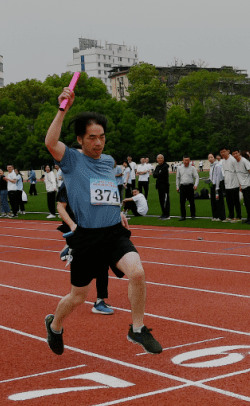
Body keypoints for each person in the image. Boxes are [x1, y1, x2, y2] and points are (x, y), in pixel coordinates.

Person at [43, 89, 161, 355]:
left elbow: (105, 191)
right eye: (92, 138)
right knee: (78, 296)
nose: (99, 143)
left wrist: (118, 211)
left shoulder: (108, 161)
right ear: (80, 140)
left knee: (138, 273)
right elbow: (50, 141)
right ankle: (55, 326)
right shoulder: (71, 159)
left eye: (102, 137)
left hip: (113, 234)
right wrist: (63, 108)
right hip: (87, 238)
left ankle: (138, 329)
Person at [56, 183, 115, 315]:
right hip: (78, 231)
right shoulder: (68, 183)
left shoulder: (95, 180)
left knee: (103, 263)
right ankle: (71, 248)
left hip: (95, 228)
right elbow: (60, 207)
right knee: (80, 286)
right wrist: (72, 225)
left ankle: (100, 301)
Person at [222, 147, 243, 222]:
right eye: (221, 152)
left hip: (235, 184)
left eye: (224, 152)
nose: (223, 153)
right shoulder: (223, 161)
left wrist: (240, 184)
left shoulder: (233, 160)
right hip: (227, 185)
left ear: (228, 151)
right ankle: (231, 216)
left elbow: (238, 172)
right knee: (229, 202)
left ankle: (238, 216)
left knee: (236, 202)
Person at [175, 156, 198, 220]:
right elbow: (178, 178)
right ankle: (183, 216)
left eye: (188, 160)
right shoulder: (179, 168)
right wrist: (177, 186)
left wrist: (196, 185)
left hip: (190, 186)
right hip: (182, 186)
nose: (186, 162)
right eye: (185, 160)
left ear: (190, 161)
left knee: (192, 201)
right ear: (183, 160)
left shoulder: (192, 168)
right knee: (182, 202)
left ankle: (193, 215)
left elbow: (197, 177)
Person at [152, 154, 171, 219]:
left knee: (166, 200)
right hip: (159, 186)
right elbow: (154, 175)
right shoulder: (157, 167)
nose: (159, 160)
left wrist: (158, 173)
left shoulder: (165, 166)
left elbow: (160, 174)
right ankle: (163, 213)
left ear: (163, 159)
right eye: (158, 158)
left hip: (165, 186)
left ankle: (167, 214)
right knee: (161, 200)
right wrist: (158, 173)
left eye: (161, 158)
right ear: (157, 159)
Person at [208, 152, 225, 221]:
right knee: (213, 201)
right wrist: (209, 180)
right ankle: (215, 216)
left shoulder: (217, 166)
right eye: (209, 158)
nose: (210, 159)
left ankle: (221, 216)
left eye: (211, 157)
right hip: (212, 186)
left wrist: (217, 187)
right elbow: (211, 176)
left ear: (214, 158)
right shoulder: (211, 166)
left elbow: (218, 177)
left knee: (219, 201)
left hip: (217, 186)